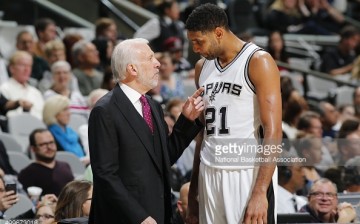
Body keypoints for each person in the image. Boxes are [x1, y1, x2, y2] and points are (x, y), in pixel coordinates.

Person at [88, 38, 204, 224]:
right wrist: (138, 216)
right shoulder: (105, 110)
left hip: (157, 211)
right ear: (132, 69)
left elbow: (164, 158)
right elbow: (105, 175)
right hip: (125, 217)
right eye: (150, 58)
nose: (157, 64)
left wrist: (186, 120)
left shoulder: (153, 105)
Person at [185, 3, 282, 224]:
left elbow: (274, 131)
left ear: (218, 33)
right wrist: (193, 190)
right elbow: (203, 133)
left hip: (246, 173)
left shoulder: (258, 61)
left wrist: (260, 192)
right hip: (209, 172)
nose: (195, 49)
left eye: (199, 41)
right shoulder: (202, 68)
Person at [18, 128, 74, 196]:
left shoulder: (65, 166)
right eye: (43, 144)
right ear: (33, 149)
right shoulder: (27, 173)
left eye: (51, 142)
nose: (49, 147)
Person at [42, 95, 87, 163]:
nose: (69, 113)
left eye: (68, 109)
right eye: (64, 110)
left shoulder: (73, 133)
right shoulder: (48, 136)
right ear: (54, 113)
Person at [1, 51, 44, 120]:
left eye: (29, 66)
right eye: (23, 65)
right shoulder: (4, 89)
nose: (26, 69)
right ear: (12, 68)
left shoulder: (36, 92)